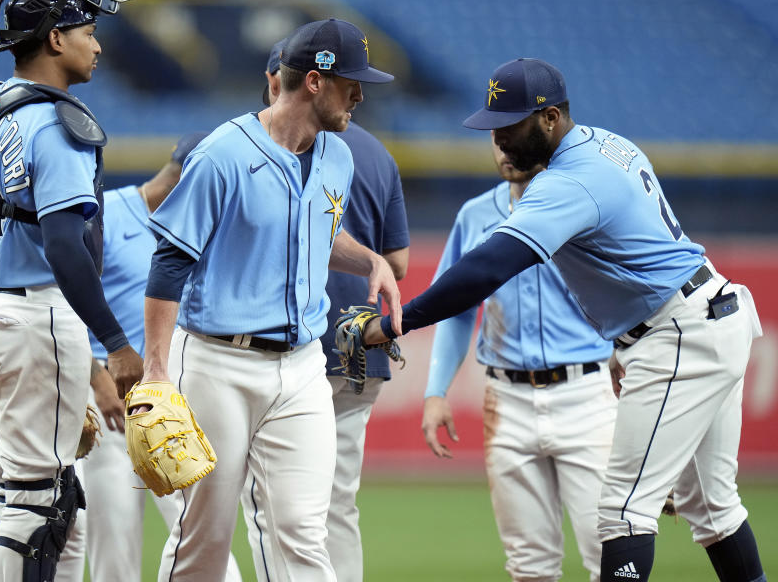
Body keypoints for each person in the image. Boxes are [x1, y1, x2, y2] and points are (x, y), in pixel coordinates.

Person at [353, 58, 765, 582]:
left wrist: (395, 323)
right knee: (712, 509)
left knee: (621, 513)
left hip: (678, 332)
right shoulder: (606, 143)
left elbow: (483, 270)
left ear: (549, 118)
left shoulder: (567, 182)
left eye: (511, 125)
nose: (500, 140)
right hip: (705, 313)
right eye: (493, 127)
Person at [129, 18, 402, 581]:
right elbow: (170, 262)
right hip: (215, 362)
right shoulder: (223, 154)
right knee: (202, 538)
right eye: (352, 81)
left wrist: (370, 260)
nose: (361, 93)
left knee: (305, 532)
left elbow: (319, 235)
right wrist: (155, 370)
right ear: (315, 82)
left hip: (302, 368)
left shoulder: (338, 157)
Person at [0, 0, 142, 581]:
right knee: (40, 500)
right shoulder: (57, 125)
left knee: (14, 493)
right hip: (32, 316)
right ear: (55, 38)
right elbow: (63, 247)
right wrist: (114, 344)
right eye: (88, 33)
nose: (97, 48)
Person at [239, 38, 410, 582]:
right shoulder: (377, 154)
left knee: (271, 502)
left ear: (280, 80)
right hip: (360, 349)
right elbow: (399, 262)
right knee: (336, 502)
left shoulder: (265, 143)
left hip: (291, 349)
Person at [421, 131, 616, 581]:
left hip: (587, 394)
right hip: (507, 402)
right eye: (497, 140)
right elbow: (457, 308)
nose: (505, 150)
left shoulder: (579, 207)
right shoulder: (474, 216)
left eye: (513, 138)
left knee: (611, 552)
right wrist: (435, 391)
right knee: (529, 564)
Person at [80, 131, 242, 582]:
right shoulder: (102, 214)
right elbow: (66, 303)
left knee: (204, 537)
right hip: (108, 402)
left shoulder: (208, 229)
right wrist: (94, 383)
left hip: (173, 404)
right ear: (191, 175)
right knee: (114, 550)